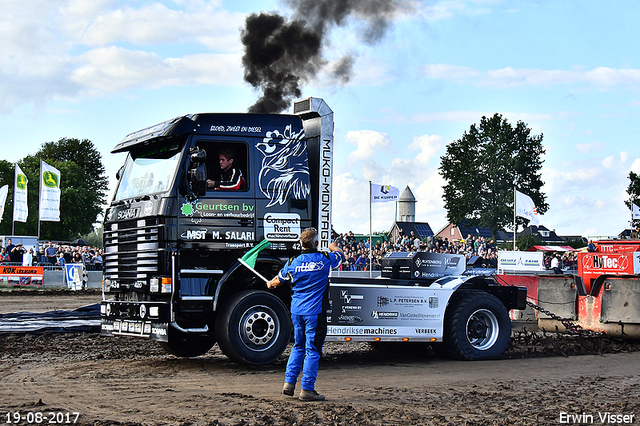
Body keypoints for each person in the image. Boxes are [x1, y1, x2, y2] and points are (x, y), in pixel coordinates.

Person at [267, 228, 343, 402]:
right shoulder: (325, 258)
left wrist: (270, 284)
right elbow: (340, 256)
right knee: (313, 350)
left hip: (297, 312)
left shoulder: (293, 262)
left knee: (298, 347)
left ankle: (289, 383)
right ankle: (307, 389)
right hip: (315, 313)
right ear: (316, 243)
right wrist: (333, 246)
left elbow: (277, 281)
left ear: (301, 244)